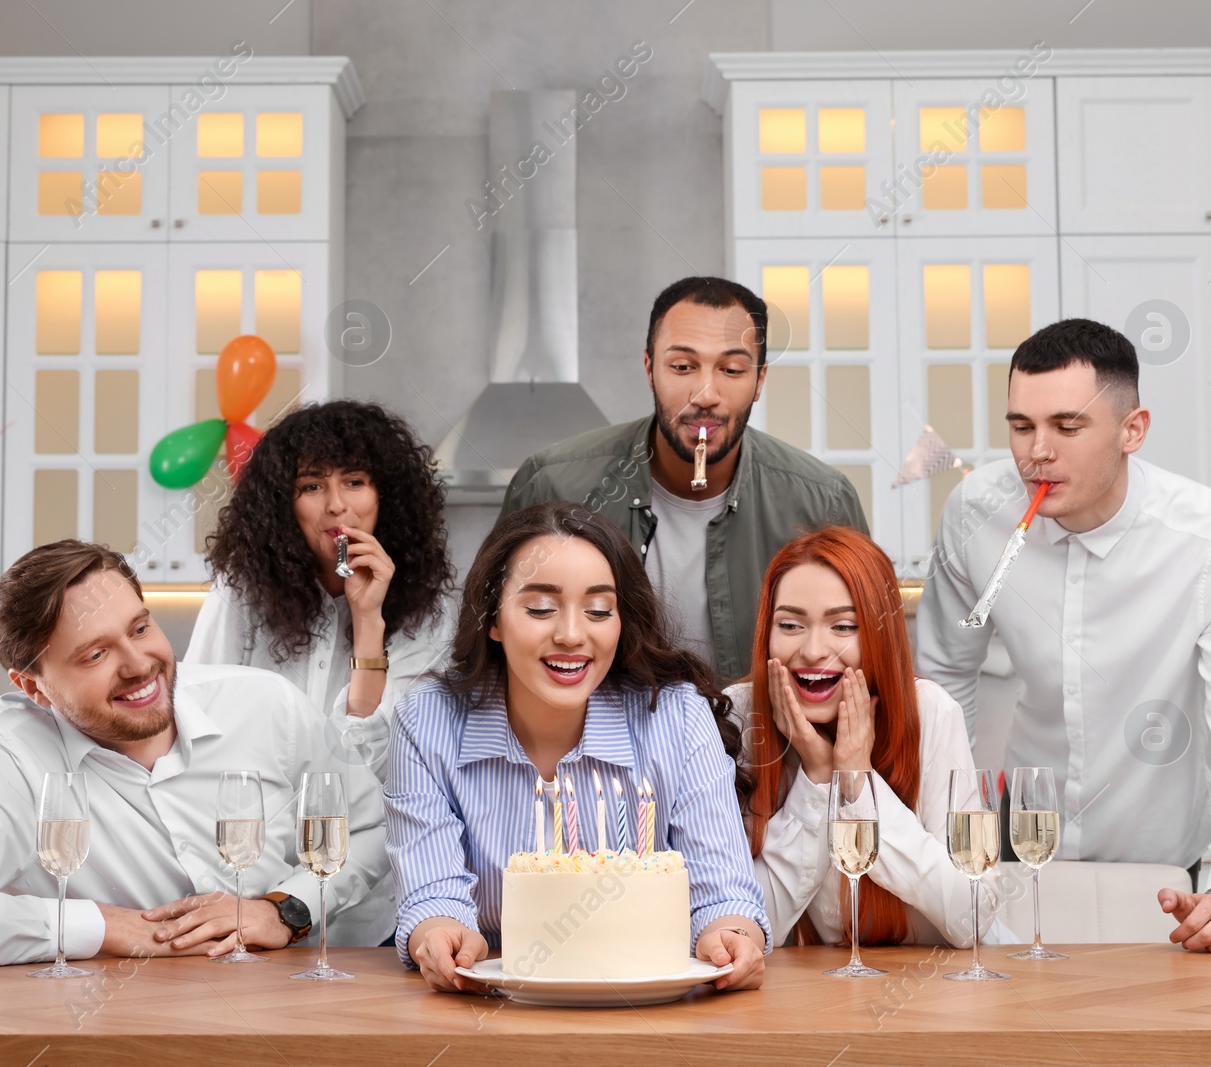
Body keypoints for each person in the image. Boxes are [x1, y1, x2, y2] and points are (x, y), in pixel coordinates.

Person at [917, 318, 1211, 954]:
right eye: (1020, 426)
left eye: (1067, 427)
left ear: (1133, 430)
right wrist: (945, 842)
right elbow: (941, 688)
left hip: (1171, 874)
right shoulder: (975, 512)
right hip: (1017, 859)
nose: (1036, 451)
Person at [0, 540, 390, 971]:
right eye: (96, 654)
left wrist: (285, 909)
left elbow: (369, 828)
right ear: (33, 687)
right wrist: (101, 927)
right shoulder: (6, 756)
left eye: (140, 628)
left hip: (281, 1016)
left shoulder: (264, 705)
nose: (139, 664)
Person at [385, 503, 771, 993]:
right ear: (493, 620)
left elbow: (724, 894)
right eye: (541, 608)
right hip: (487, 1009)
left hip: (649, 1009)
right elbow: (431, 893)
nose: (571, 635)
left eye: (598, 610)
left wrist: (731, 937)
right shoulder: (427, 721)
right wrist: (440, 935)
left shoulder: (676, 718)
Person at [501, 276, 868, 682]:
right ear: (649, 369)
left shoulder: (823, 501)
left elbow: (872, 659)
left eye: (731, 369)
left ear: (760, 380)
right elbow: (498, 647)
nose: (705, 394)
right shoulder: (551, 485)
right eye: (682, 367)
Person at [735, 526, 1002, 948]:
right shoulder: (738, 717)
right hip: (795, 1001)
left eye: (843, 627)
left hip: (929, 995)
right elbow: (743, 927)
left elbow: (973, 912)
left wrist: (857, 781)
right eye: (790, 624)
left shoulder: (930, 712)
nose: (814, 650)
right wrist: (819, 777)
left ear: (879, 634)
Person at [187, 399, 455, 784]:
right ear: (283, 503)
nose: (336, 505)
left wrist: (367, 620)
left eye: (355, 482)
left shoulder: (429, 614)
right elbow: (199, 720)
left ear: (387, 496)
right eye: (312, 486)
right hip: (256, 818)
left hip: (371, 832)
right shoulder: (240, 591)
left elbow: (379, 763)